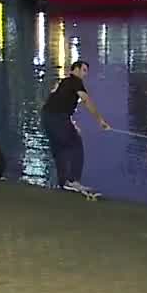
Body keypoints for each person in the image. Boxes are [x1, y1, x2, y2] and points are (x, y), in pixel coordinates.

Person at [41, 60, 110, 194]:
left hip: (47, 117)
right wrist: (100, 120)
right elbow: (86, 100)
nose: (85, 74)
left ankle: (64, 183)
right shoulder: (75, 81)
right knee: (76, 144)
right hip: (57, 118)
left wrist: (69, 122)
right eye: (84, 70)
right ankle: (73, 181)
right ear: (76, 69)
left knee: (59, 149)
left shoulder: (64, 82)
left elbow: (57, 101)